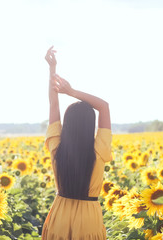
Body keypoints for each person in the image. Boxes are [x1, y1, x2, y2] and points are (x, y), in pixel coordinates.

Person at [41, 46, 112, 240]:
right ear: (91, 126)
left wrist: (52, 70)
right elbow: (104, 106)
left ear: (68, 125)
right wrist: (71, 91)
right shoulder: (99, 150)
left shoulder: (57, 148)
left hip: (59, 216)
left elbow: (53, 104)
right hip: (89, 219)